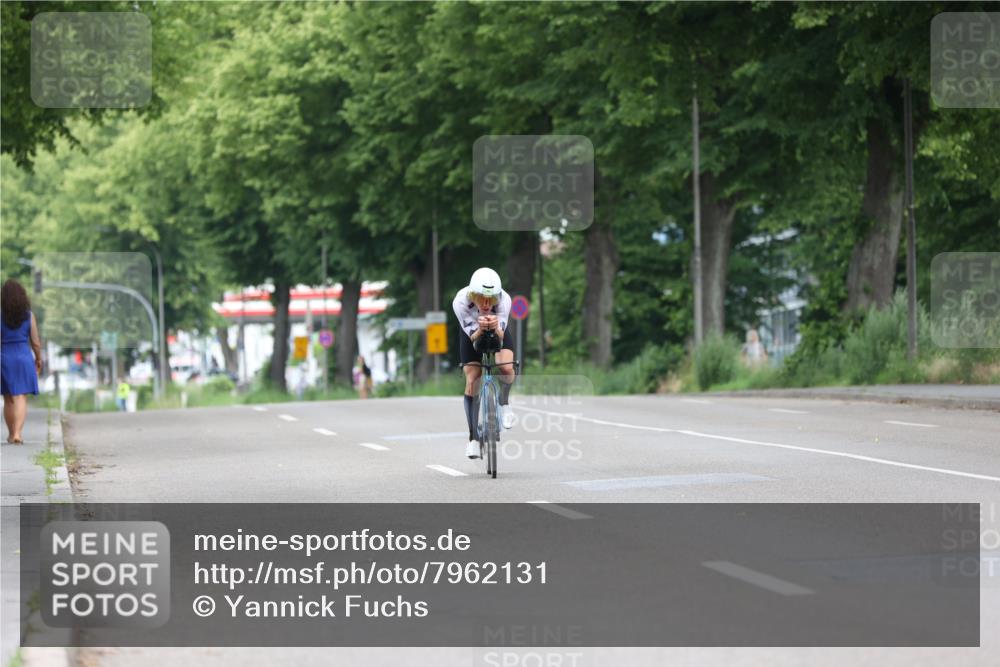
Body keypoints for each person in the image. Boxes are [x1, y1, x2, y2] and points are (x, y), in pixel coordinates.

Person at [453, 267, 515, 460]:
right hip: (471, 333)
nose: (487, 304)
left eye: (492, 299)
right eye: (482, 298)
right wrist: (480, 329)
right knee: (473, 379)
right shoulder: (460, 302)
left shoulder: (504, 300)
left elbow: (502, 335)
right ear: (473, 295)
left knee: (505, 366)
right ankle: (472, 439)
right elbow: (472, 337)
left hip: (496, 330)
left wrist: (495, 328)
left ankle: (504, 404)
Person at [1, 279, 42, 444]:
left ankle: (12, 434)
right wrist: (38, 358)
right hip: (24, 357)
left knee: (9, 398)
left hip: (4, 357)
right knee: (21, 397)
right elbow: (36, 342)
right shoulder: (29, 315)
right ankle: (17, 433)